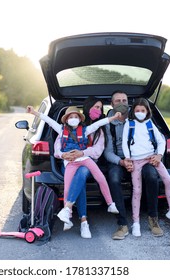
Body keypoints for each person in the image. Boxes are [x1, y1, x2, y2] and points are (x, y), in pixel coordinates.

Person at [26, 104, 120, 231]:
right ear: (66, 120)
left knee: (100, 177)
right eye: (71, 117)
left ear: (80, 119)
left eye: (76, 116)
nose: (74, 119)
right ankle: (67, 217)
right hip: (70, 162)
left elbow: (98, 124)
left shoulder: (86, 130)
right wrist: (35, 113)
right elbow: (49, 120)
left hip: (84, 158)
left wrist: (113, 117)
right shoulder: (61, 130)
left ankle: (110, 203)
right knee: (67, 188)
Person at [104, 90, 165, 239]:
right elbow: (107, 152)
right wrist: (122, 161)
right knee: (113, 178)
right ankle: (122, 224)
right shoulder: (108, 124)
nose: (122, 103)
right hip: (119, 160)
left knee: (151, 175)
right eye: (117, 101)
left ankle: (153, 219)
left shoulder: (140, 114)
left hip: (143, 158)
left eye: (124, 100)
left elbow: (159, 137)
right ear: (111, 105)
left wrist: (158, 155)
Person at [122, 97, 170, 237]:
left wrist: (159, 156)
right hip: (136, 161)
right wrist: (127, 158)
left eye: (142, 110)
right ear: (133, 111)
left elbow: (161, 141)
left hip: (152, 158)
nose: (139, 112)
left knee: (168, 181)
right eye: (137, 110)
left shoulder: (150, 123)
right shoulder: (129, 124)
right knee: (137, 191)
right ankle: (136, 222)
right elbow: (125, 143)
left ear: (147, 111)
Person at [53, 97, 108, 238]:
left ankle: (69, 211)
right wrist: (63, 155)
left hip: (87, 163)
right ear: (88, 108)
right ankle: (84, 222)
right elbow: (57, 147)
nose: (98, 111)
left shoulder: (98, 131)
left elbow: (97, 151)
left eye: (100, 109)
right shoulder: (68, 129)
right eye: (95, 107)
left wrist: (82, 153)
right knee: (80, 181)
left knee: (82, 173)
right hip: (69, 162)